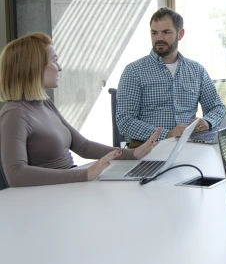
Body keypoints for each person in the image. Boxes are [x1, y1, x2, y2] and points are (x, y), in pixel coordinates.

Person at [0, 33, 161, 187]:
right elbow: (16, 175)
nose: (60, 67)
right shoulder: (14, 114)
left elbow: (82, 146)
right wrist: (85, 174)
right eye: (54, 61)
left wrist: (132, 154)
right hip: (50, 197)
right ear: (33, 68)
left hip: (70, 186)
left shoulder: (45, 104)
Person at [116, 7, 226, 147]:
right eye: (154, 33)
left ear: (180, 34)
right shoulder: (134, 71)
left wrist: (207, 121)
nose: (159, 38)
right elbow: (125, 121)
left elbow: (217, 107)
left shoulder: (196, 70)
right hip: (147, 148)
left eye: (166, 32)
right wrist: (166, 134)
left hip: (189, 146)